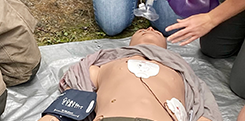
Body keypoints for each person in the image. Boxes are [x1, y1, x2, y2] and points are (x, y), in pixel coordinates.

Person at [39, 27, 223, 121]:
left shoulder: (182, 72)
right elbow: (75, 92)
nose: (150, 29)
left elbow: (204, 107)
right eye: (142, 30)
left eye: (156, 31)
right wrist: (54, 117)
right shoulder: (107, 63)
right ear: (130, 44)